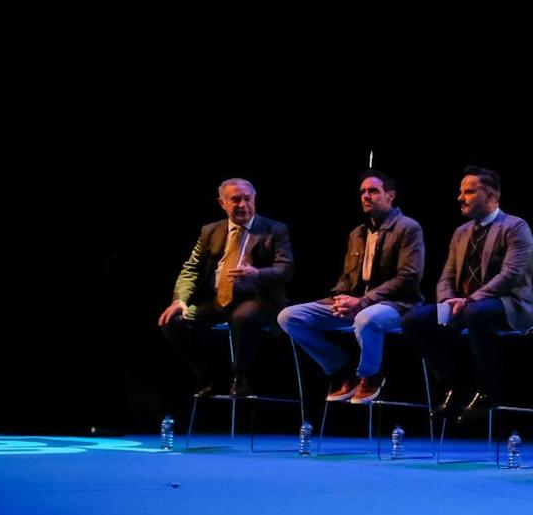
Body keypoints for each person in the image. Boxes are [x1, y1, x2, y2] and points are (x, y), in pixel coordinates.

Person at [400, 166, 533, 425]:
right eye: (461, 191)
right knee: (413, 320)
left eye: (469, 192)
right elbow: (446, 276)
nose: (460, 197)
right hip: (463, 306)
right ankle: (457, 384)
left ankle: (488, 391)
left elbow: (512, 275)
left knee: (476, 313)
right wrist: (447, 301)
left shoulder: (515, 226)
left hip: (508, 304)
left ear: (492, 196)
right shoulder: (461, 232)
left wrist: (469, 301)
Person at [276, 171, 425, 405]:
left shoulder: (408, 228)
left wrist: (363, 301)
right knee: (289, 317)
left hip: (396, 305)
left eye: (373, 191)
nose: (366, 196)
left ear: (390, 195)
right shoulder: (357, 232)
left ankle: (370, 375)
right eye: (363, 192)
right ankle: (341, 367)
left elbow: (408, 277)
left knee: (366, 319)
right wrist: (340, 298)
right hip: (357, 304)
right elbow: (347, 276)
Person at [157, 177, 295, 398]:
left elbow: (285, 269)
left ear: (255, 199)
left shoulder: (274, 229)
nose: (243, 205)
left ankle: (241, 376)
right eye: (235, 200)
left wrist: (257, 274)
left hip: (257, 299)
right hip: (218, 301)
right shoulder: (210, 231)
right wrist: (179, 300)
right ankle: (212, 375)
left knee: (243, 318)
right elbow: (191, 268)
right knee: (173, 321)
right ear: (222, 203)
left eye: (247, 199)